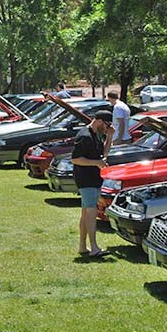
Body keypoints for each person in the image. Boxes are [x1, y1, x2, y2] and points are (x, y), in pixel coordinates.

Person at [70, 110, 114, 258]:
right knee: (91, 211)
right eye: (107, 125)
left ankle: (83, 246)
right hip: (85, 179)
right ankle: (94, 247)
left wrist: (110, 136)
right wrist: (96, 163)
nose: (107, 128)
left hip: (94, 178)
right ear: (100, 121)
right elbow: (75, 159)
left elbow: (104, 155)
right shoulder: (84, 136)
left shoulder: (97, 134)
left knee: (85, 213)